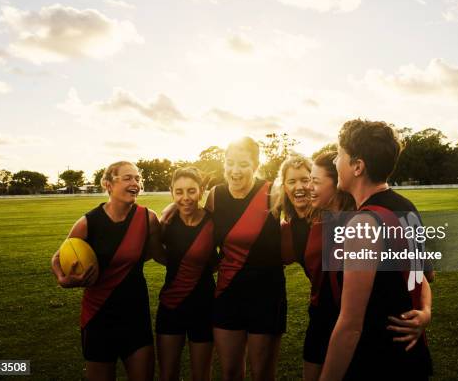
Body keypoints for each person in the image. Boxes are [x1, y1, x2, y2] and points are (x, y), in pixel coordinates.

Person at [162, 137, 286, 381]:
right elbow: (197, 217)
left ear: (256, 164)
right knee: (229, 372)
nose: (235, 170)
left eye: (243, 164)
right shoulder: (215, 196)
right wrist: (173, 207)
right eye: (230, 163)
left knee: (261, 373)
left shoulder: (274, 192)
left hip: (266, 294)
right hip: (228, 294)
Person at [320, 120, 433, 380]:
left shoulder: (363, 224)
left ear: (358, 166)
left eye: (340, 155)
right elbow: (421, 277)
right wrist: (426, 312)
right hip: (411, 359)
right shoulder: (406, 207)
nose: (336, 161)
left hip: (378, 362)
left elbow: (350, 325)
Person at [51, 161, 161, 381]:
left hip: (135, 314)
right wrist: (64, 280)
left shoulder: (148, 219)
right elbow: (58, 257)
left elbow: (153, 254)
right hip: (98, 315)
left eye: (138, 179)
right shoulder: (88, 222)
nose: (135, 183)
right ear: (108, 184)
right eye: (128, 178)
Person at [280, 152, 354, 381]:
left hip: (353, 314)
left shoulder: (338, 215)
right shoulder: (288, 228)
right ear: (283, 187)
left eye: (308, 179)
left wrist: (425, 309)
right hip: (320, 313)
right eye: (292, 181)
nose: (302, 186)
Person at [155, 167, 217, 381]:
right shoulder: (166, 223)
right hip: (171, 307)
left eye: (191, 191)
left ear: (201, 191)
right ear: (171, 192)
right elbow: (155, 253)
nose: (185, 197)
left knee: (201, 375)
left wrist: (202, 266)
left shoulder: (215, 222)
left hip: (205, 306)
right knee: (167, 374)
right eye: (179, 192)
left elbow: (224, 257)